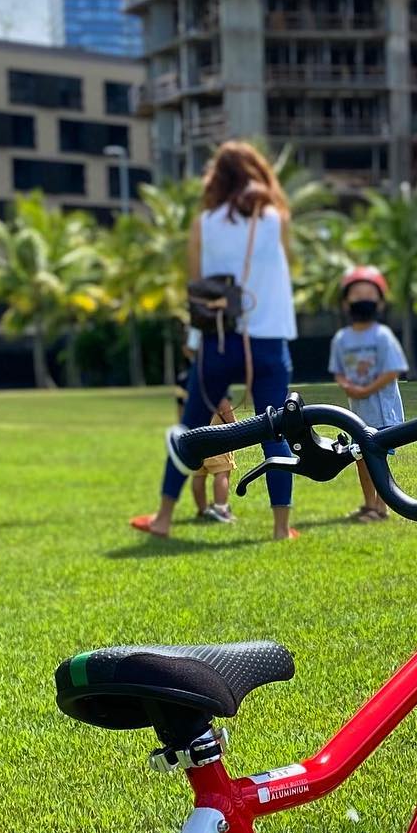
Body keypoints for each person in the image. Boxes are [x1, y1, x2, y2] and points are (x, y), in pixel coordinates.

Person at [132, 141, 299, 541]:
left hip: (219, 340)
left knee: (188, 429)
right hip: (269, 339)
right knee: (275, 431)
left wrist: (194, 338)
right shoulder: (276, 218)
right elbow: (289, 261)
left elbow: (198, 289)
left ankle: (164, 519)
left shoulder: (203, 223)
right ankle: (280, 528)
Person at [328, 266, 408, 523]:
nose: (362, 300)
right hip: (358, 414)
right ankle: (369, 504)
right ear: (346, 303)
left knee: (378, 459)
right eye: (356, 294)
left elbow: (391, 370)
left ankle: (381, 508)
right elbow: (338, 370)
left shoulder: (382, 336)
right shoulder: (342, 339)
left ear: (379, 303)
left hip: (383, 411)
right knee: (360, 458)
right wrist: (347, 386)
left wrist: (367, 389)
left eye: (368, 294)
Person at [173, 354, 234, 523]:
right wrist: (234, 425)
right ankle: (221, 509)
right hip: (215, 436)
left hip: (193, 436)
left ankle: (202, 510)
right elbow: (223, 405)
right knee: (221, 472)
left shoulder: (184, 378)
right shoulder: (216, 374)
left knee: (198, 475)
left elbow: (180, 408)